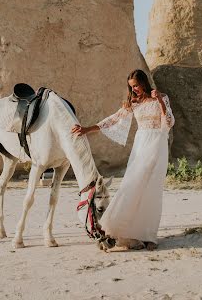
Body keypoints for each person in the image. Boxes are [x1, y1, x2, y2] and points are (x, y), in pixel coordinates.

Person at [72, 69, 175, 251]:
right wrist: (88, 129)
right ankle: (116, 228)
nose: (134, 89)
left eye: (136, 85)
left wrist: (159, 101)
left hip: (158, 145)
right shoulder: (133, 102)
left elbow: (168, 123)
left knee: (152, 191)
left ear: (144, 82)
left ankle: (149, 236)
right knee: (131, 186)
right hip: (141, 145)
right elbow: (114, 120)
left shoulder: (162, 97)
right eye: (131, 87)